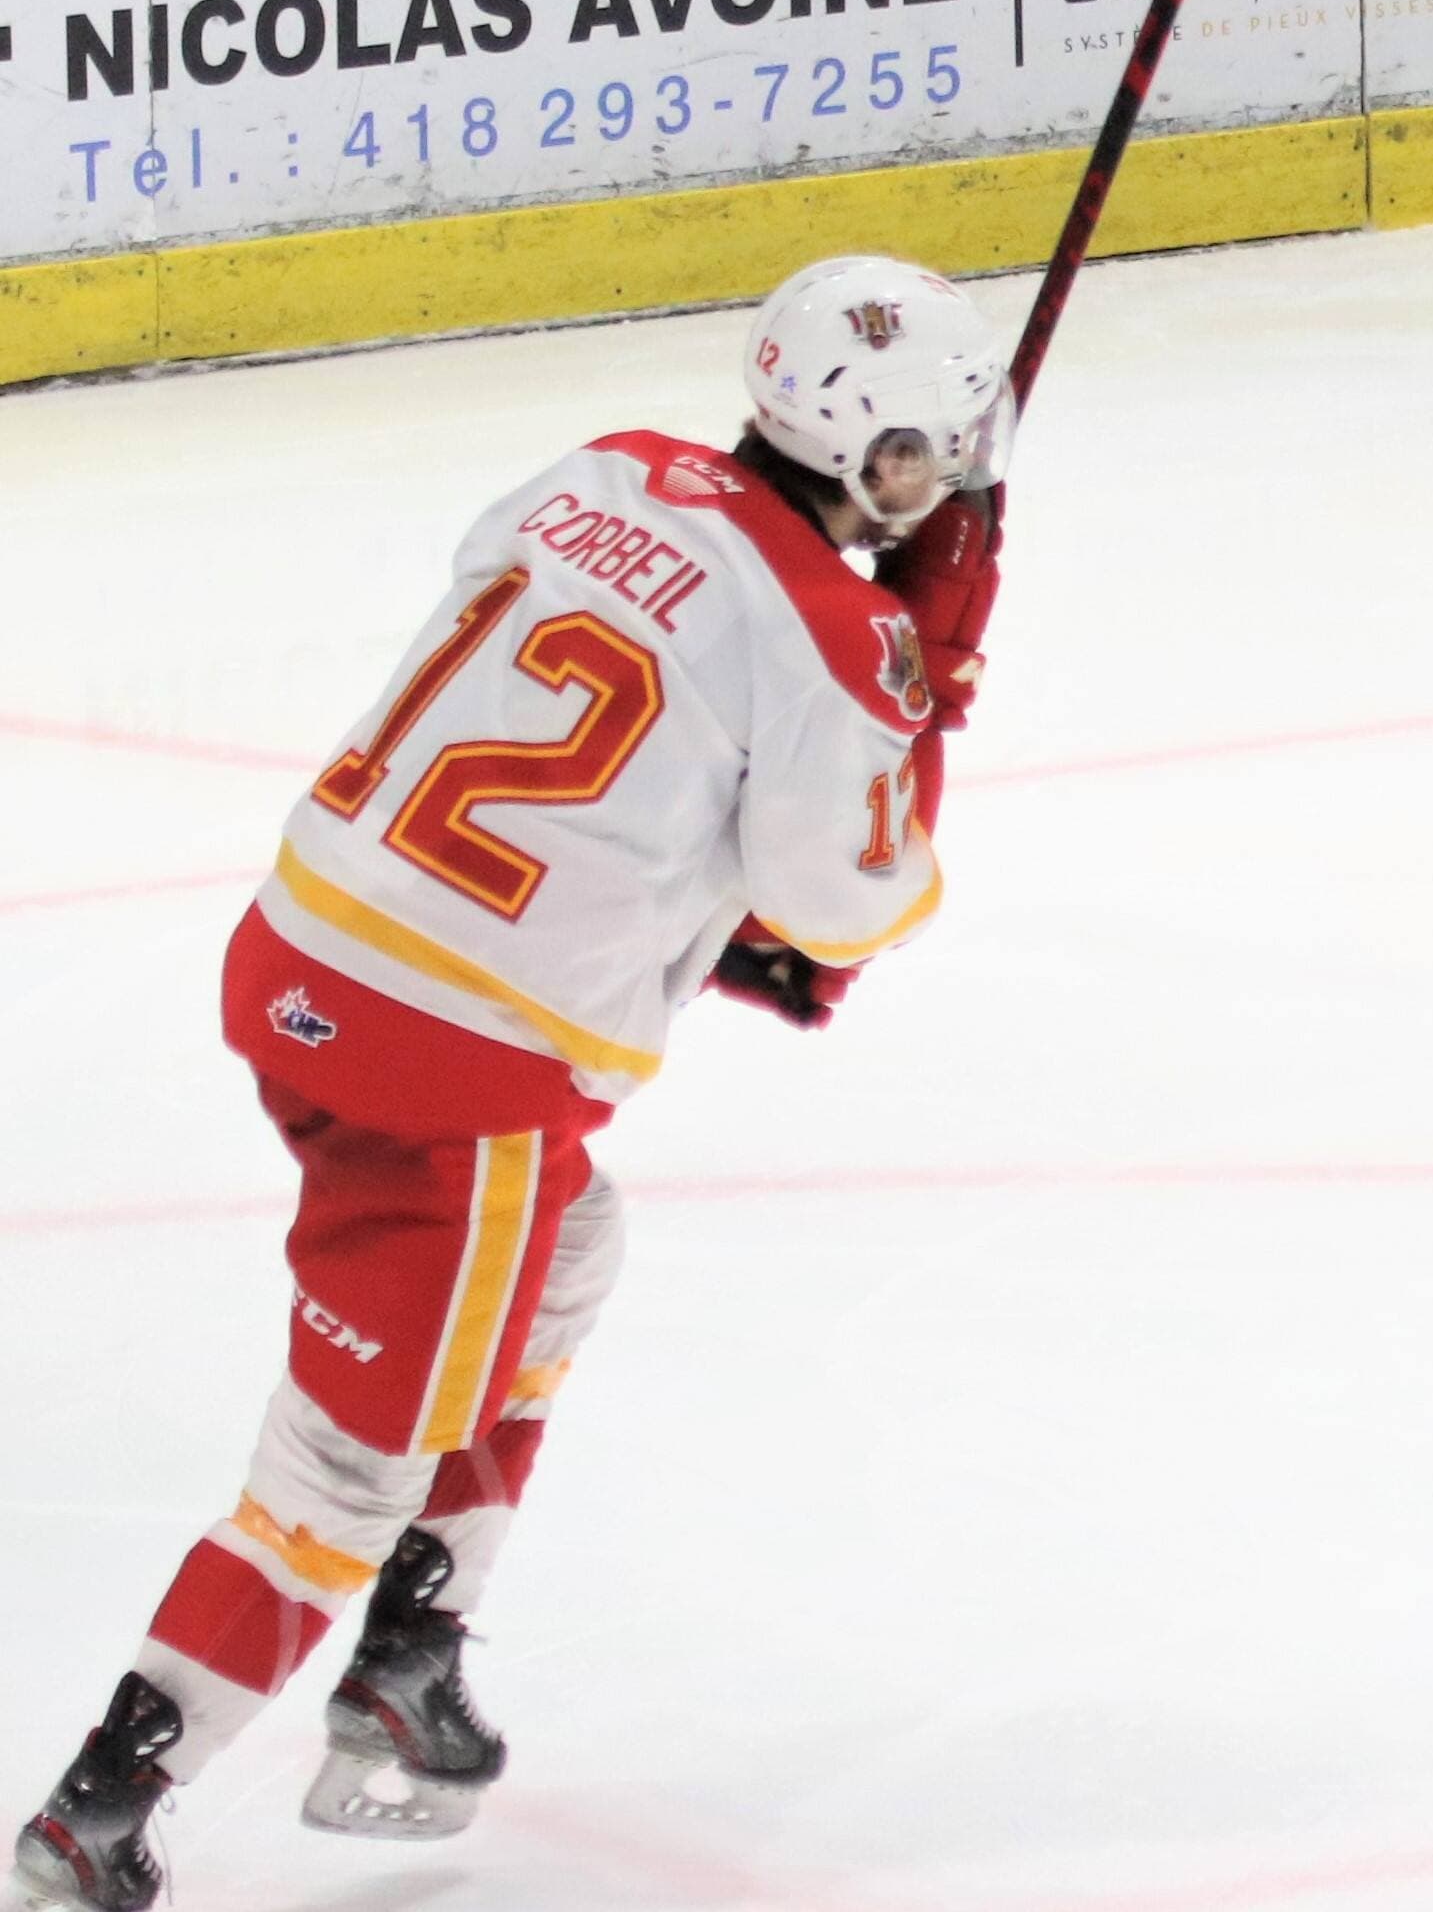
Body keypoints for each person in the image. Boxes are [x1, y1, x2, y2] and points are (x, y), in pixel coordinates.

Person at [12, 256, 1012, 1910]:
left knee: (569, 1250)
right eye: (930, 451)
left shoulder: (610, 469)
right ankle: (102, 1807)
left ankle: (413, 1641)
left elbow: (561, 663)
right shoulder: (836, 635)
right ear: (862, 447)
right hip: (448, 1063)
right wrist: (925, 684)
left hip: (300, 954)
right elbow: (852, 898)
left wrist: (871, 671)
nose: (948, 478)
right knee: (344, 1459)